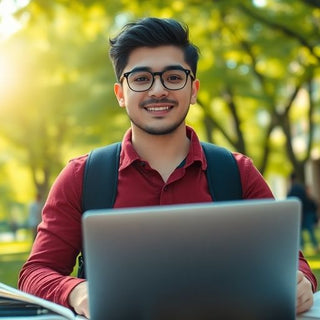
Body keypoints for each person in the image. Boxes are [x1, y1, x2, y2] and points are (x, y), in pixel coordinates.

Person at [18, 17, 316, 318]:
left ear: (194, 90)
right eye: (141, 78)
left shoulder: (238, 172)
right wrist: (78, 292)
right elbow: (35, 274)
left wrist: (301, 283)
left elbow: (294, 265)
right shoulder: (82, 177)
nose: (158, 90)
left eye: (174, 77)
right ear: (121, 94)